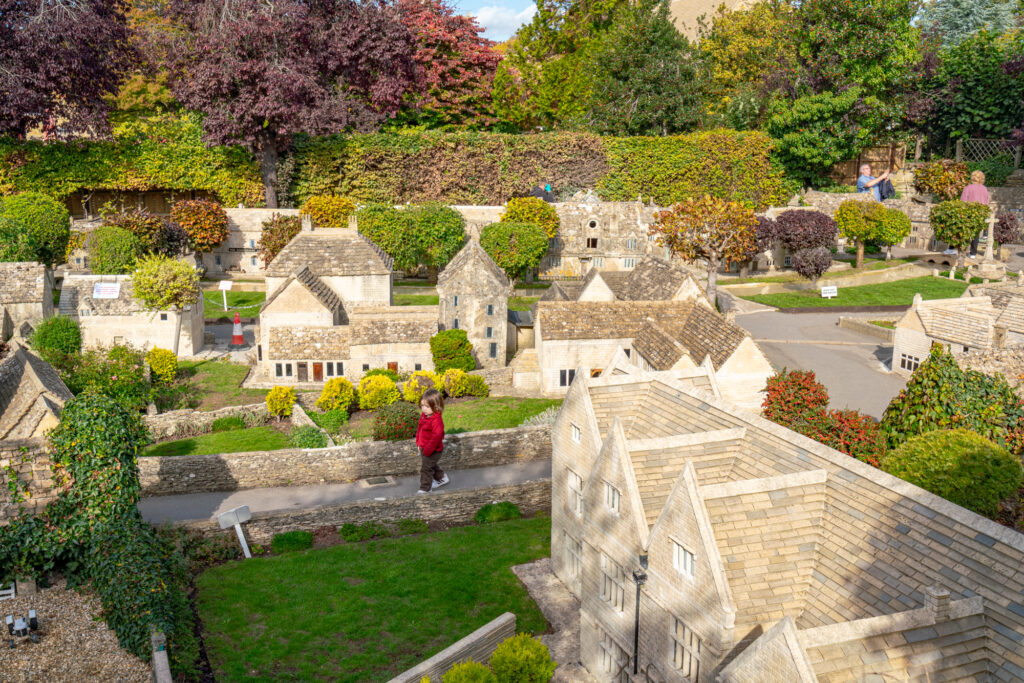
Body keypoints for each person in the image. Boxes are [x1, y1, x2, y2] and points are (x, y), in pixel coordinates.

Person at [416, 388, 449, 494]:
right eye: (422, 406)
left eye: (427, 406)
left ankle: (425, 489)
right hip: (424, 447)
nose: (423, 409)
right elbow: (420, 429)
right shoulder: (425, 415)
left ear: (436, 406)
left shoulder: (436, 421)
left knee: (426, 469)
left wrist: (427, 451)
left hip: (433, 450)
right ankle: (441, 478)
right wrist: (418, 443)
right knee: (430, 465)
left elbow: (436, 437)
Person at [961, 170, 990, 257]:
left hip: (969, 213)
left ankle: (962, 251)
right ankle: (973, 253)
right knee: (976, 234)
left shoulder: (968, 188)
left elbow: (963, 202)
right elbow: (986, 202)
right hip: (980, 214)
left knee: (965, 232)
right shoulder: (985, 189)